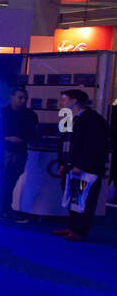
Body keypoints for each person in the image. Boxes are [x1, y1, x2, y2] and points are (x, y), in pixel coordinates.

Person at [53, 88, 108, 242]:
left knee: (84, 199)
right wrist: (63, 162)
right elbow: (63, 142)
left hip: (86, 169)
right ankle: (72, 226)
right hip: (70, 167)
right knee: (71, 197)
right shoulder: (67, 117)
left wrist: (81, 164)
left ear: (74, 101)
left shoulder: (94, 120)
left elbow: (94, 146)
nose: (61, 103)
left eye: (64, 100)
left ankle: (80, 230)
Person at [0, 87, 37, 223]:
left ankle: (5, 209)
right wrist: (7, 138)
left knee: (10, 183)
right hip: (5, 151)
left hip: (20, 151)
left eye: (25, 98)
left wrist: (25, 139)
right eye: (20, 97)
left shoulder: (31, 115)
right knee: (0, 182)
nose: (22, 101)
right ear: (12, 97)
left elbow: (34, 133)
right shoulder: (2, 113)